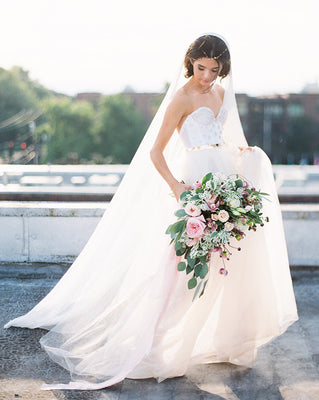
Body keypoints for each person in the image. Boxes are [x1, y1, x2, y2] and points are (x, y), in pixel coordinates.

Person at [4, 33, 298, 391]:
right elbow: (156, 152)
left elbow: (220, 140)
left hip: (223, 182)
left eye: (214, 69)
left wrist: (242, 154)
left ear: (223, 68)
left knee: (226, 264)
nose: (206, 76)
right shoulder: (182, 97)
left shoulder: (221, 93)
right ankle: (157, 346)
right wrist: (177, 187)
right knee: (180, 267)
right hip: (194, 183)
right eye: (201, 67)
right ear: (190, 61)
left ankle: (224, 340)